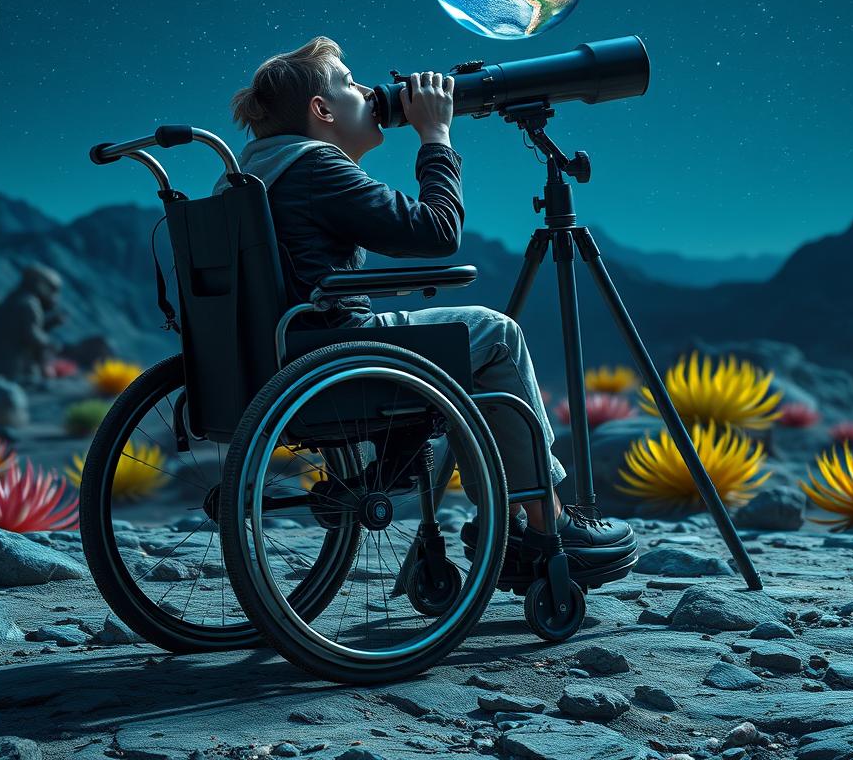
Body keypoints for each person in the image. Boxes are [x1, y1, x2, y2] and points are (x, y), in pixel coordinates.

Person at [217, 36, 634, 565]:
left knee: (466, 339)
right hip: (337, 350)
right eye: (349, 84)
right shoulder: (315, 167)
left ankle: (473, 500)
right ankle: (542, 522)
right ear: (321, 111)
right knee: (496, 334)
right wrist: (435, 134)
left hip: (289, 348)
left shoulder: (255, 174)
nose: (370, 92)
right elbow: (438, 232)